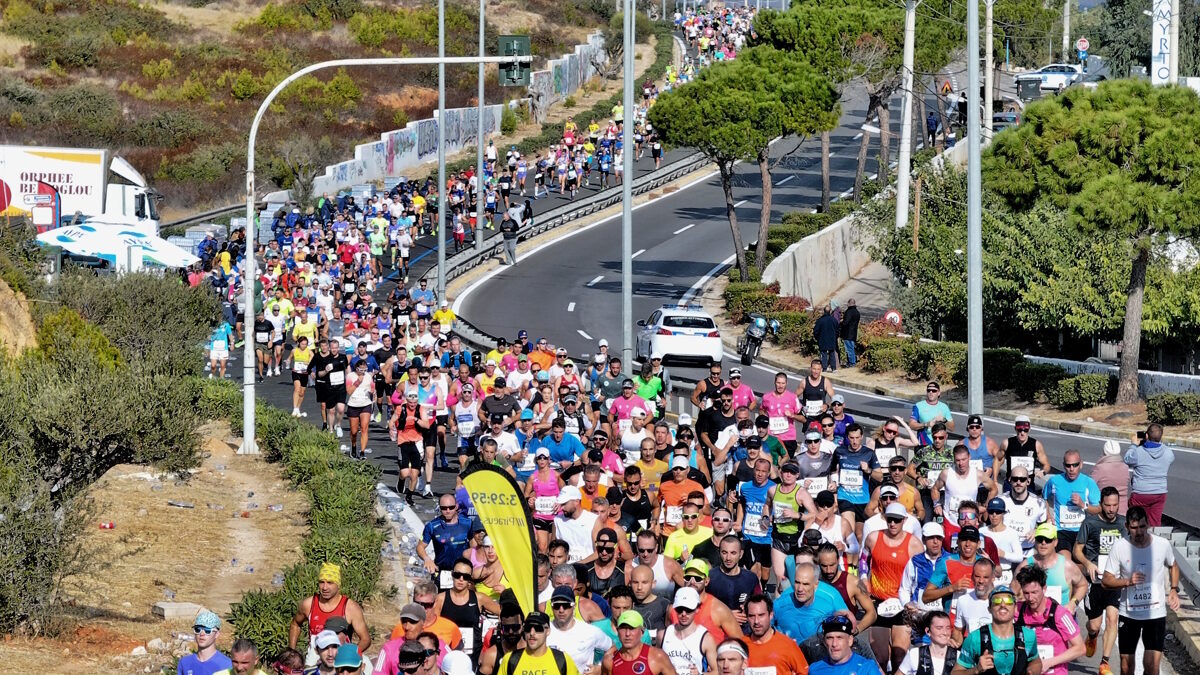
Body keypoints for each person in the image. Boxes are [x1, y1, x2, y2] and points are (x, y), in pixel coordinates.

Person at [1101, 505, 1182, 675]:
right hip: (1129, 614)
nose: (1139, 532)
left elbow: (1173, 565)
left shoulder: (1162, 544)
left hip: (1155, 613)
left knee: (1152, 667)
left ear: (1148, 524)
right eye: (1134, 528)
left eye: (1142, 526)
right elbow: (1106, 581)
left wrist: (1174, 589)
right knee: (1126, 667)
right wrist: (1127, 581)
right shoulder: (1119, 547)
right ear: (1127, 526)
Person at [1073, 486, 1125, 675]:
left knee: (1112, 619)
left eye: (1115, 505)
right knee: (1095, 624)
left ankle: (1104, 663)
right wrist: (1087, 564)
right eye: (1108, 505)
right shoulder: (1090, 523)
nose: (1112, 509)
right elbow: (1077, 550)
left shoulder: (1123, 524)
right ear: (1101, 504)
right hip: (1094, 581)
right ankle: (1092, 635)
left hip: (1114, 581)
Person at [950, 585, 1042, 675]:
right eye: (997, 601)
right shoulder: (975, 638)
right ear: (989, 609)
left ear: (1015, 608)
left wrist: (1032, 671)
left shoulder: (1028, 635)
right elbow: (955, 672)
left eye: (1008, 601)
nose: (1003, 605)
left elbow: (1035, 661)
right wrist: (976, 669)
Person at [289, 563, 370, 664]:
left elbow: (365, 639)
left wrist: (350, 655)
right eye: (321, 582)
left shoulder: (350, 608)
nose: (324, 587)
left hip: (340, 660)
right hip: (314, 659)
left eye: (330, 583)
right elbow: (295, 624)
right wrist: (292, 653)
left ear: (338, 584)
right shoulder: (309, 604)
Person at [1013, 565, 1084, 675]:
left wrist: (1048, 663)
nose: (1030, 598)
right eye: (1026, 593)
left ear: (1044, 589)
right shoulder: (1017, 610)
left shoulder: (1060, 614)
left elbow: (1080, 648)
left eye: (1034, 592)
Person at [1012, 523, 1089, 609]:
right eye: (1039, 539)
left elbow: (1083, 585)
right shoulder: (1025, 566)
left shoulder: (1067, 566)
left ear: (1055, 542)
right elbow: (1013, 592)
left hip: (1061, 615)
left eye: (1048, 540)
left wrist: (1073, 604)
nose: (1043, 543)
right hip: (1033, 615)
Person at [1042, 449, 1100, 553]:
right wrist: (1048, 516)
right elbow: (1043, 498)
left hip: (1082, 531)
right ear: (1064, 466)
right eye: (1068, 465)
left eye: (1075, 465)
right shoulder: (1054, 481)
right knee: (1065, 559)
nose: (1071, 469)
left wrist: (1083, 505)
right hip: (1061, 530)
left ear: (1081, 464)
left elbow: (1098, 509)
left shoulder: (1089, 483)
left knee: (1079, 560)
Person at [546, 585, 613, 673]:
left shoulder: (589, 631)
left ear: (574, 606)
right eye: (557, 605)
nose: (561, 610)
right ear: (551, 607)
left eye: (566, 605)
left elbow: (612, 647)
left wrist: (600, 667)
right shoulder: (543, 631)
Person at [744, 594, 810, 675]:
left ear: (771, 615)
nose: (756, 621)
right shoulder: (740, 646)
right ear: (747, 617)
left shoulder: (788, 645)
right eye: (751, 616)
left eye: (761, 615)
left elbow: (804, 672)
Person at [1124, 423, 1175, 527]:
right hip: (1159, 493)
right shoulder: (1168, 452)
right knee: (1154, 523)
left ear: (1146, 435)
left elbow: (1127, 459)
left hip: (1140, 493)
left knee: (1135, 522)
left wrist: (1133, 445)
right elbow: (1169, 457)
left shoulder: (1138, 452)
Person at [662, 586, 720, 675]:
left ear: (697, 609)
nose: (684, 614)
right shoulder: (663, 635)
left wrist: (700, 674)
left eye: (688, 609)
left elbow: (718, 671)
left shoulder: (706, 639)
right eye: (679, 609)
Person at [498, 611, 578, 675]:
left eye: (538, 628)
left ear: (548, 631)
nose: (532, 633)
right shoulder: (510, 660)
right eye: (528, 628)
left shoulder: (562, 660)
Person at [600, 610, 678, 675]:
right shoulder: (609, 661)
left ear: (642, 632)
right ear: (617, 631)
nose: (627, 634)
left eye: (632, 628)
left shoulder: (657, 657)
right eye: (623, 628)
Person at [420, 494, 475, 583]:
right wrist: (427, 559)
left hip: (463, 574)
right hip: (442, 572)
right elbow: (420, 547)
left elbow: (474, 546)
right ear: (440, 508)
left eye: (451, 507)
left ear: (456, 506)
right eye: (444, 508)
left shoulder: (467, 523)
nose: (448, 511)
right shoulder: (432, 526)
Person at [806, 615, 881, 675]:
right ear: (824, 642)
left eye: (839, 638)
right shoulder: (815, 669)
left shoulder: (867, 668)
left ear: (850, 640)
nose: (834, 644)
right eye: (830, 638)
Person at [896, 611, 956, 675]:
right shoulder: (915, 655)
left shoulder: (958, 657)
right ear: (927, 631)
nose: (945, 633)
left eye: (948, 628)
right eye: (939, 628)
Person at [179, 610, 232, 675]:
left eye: (207, 630)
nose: (202, 634)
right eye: (197, 629)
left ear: (216, 634)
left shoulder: (227, 665)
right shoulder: (184, 663)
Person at [1090, 440, 1130, 516]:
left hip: (1105, 509)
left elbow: (1090, 486)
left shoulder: (1100, 468)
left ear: (1104, 452)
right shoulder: (1125, 467)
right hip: (1123, 508)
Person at [909, 382, 954, 446]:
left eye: (934, 391)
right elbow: (911, 425)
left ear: (938, 393)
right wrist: (926, 424)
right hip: (924, 445)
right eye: (929, 390)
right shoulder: (918, 406)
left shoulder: (944, 407)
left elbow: (952, 428)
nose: (931, 392)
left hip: (939, 445)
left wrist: (944, 420)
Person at [813, 306, 840, 371]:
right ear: (830, 311)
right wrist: (835, 337)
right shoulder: (834, 320)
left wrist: (817, 338)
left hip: (822, 339)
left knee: (823, 353)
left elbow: (816, 331)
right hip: (832, 339)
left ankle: (824, 367)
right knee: (832, 353)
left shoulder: (820, 320)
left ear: (824, 311)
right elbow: (837, 330)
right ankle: (833, 368)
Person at [839, 299, 860, 368]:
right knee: (851, 348)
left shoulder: (849, 312)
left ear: (849, 303)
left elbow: (845, 322)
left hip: (847, 333)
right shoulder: (857, 312)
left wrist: (841, 321)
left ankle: (851, 363)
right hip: (853, 333)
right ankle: (852, 362)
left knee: (849, 349)